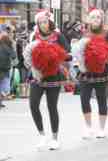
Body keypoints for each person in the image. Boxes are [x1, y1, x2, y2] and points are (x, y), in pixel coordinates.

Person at [23, 10, 70, 150]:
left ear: (50, 22)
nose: (43, 24)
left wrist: (53, 54)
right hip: (38, 75)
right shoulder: (34, 37)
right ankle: (42, 135)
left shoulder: (58, 36)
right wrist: (33, 67)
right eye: (40, 22)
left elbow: (67, 52)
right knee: (33, 104)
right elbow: (29, 54)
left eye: (45, 21)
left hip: (54, 74)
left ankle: (55, 138)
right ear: (37, 24)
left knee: (52, 107)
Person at [73, 8, 108, 139]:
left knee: (102, 99)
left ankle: (101, 129)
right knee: (84, 99)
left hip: (101, 69)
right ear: (88, 19)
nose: (95, 19)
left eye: (97, 17)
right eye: (92, 17)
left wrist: (101, 53)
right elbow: (78, 50)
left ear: (101, 19)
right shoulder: (84, 34)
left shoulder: (107, 34)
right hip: (86, 70)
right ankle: (88, 127)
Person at [0, 32, 16, 109]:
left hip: (4, 69)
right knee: (5, 88)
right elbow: (14, 56)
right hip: (5, 69)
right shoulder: (8, 47)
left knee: (2, 87)